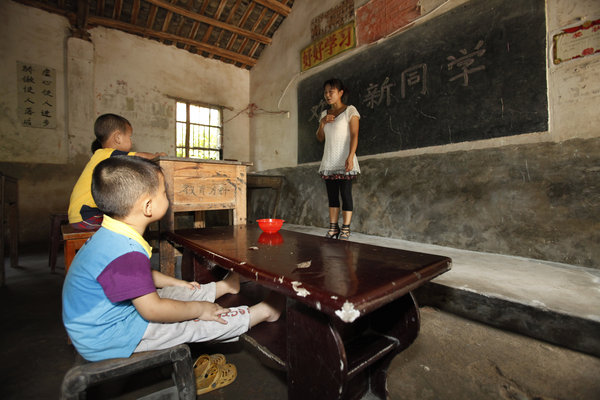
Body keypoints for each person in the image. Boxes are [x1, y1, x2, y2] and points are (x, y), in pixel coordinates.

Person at [62, 156, 282, 362]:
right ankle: (263, 312)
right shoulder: (126, 251)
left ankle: (225, 286)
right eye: (164, 193)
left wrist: (180, 284)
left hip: (99, 324)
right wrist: (200, 309)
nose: (167, 196)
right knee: (193, 325)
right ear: (147, 206)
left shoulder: (111, 234)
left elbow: (142, 277)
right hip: (109, 337)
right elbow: (154, 310)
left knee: (172, 294)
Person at [67, 113, 166, 230]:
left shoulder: (100, 155)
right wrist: (157, 155)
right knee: (128, 223)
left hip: (80, 215)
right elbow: (140, 157)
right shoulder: (109, 154)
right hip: (88, 216)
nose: (131, 141)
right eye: (129, 137)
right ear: (118, 137)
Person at [315, 78, 360, 240]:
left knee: (346, 194)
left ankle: (346, 228)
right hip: (329, 161)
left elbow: (355, 135)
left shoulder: (350, 110)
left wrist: (350, 156)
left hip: (345, 158)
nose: (328, 95)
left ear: (340, 93)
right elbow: (320, 138)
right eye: (326, 92)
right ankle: (333, 228)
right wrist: (322, 123)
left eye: (331, 92)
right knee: (332, 196)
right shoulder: (324, 114)